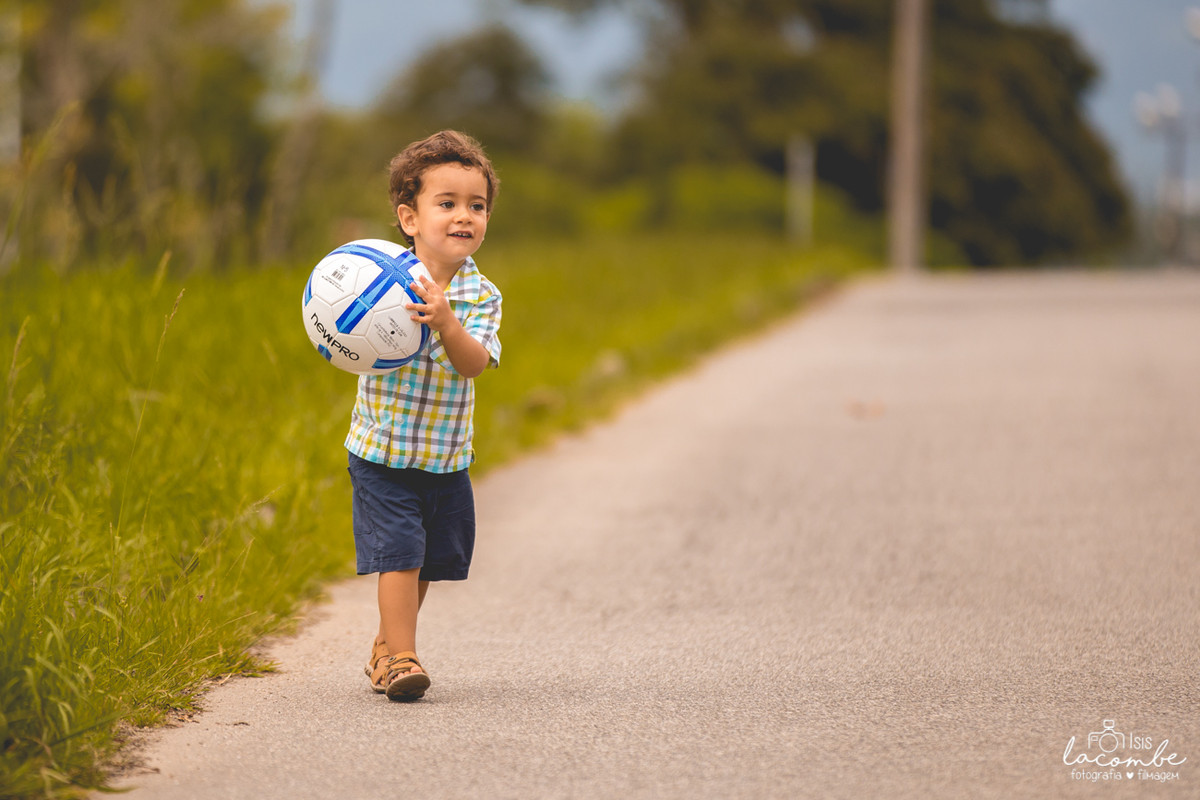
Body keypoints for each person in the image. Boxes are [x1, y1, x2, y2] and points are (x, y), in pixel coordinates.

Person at [345, 130, 502, 701]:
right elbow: (347, 335)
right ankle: (403, 657)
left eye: (476, 206)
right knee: (400, 554)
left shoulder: (482, 296)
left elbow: (474, 364)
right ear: (409, 218)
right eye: (448, 203)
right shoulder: (375, 281)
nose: (464, 216)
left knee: (432, 559)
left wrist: (447, 323)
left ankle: (387, 645)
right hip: (383, 451)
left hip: (445, 455)